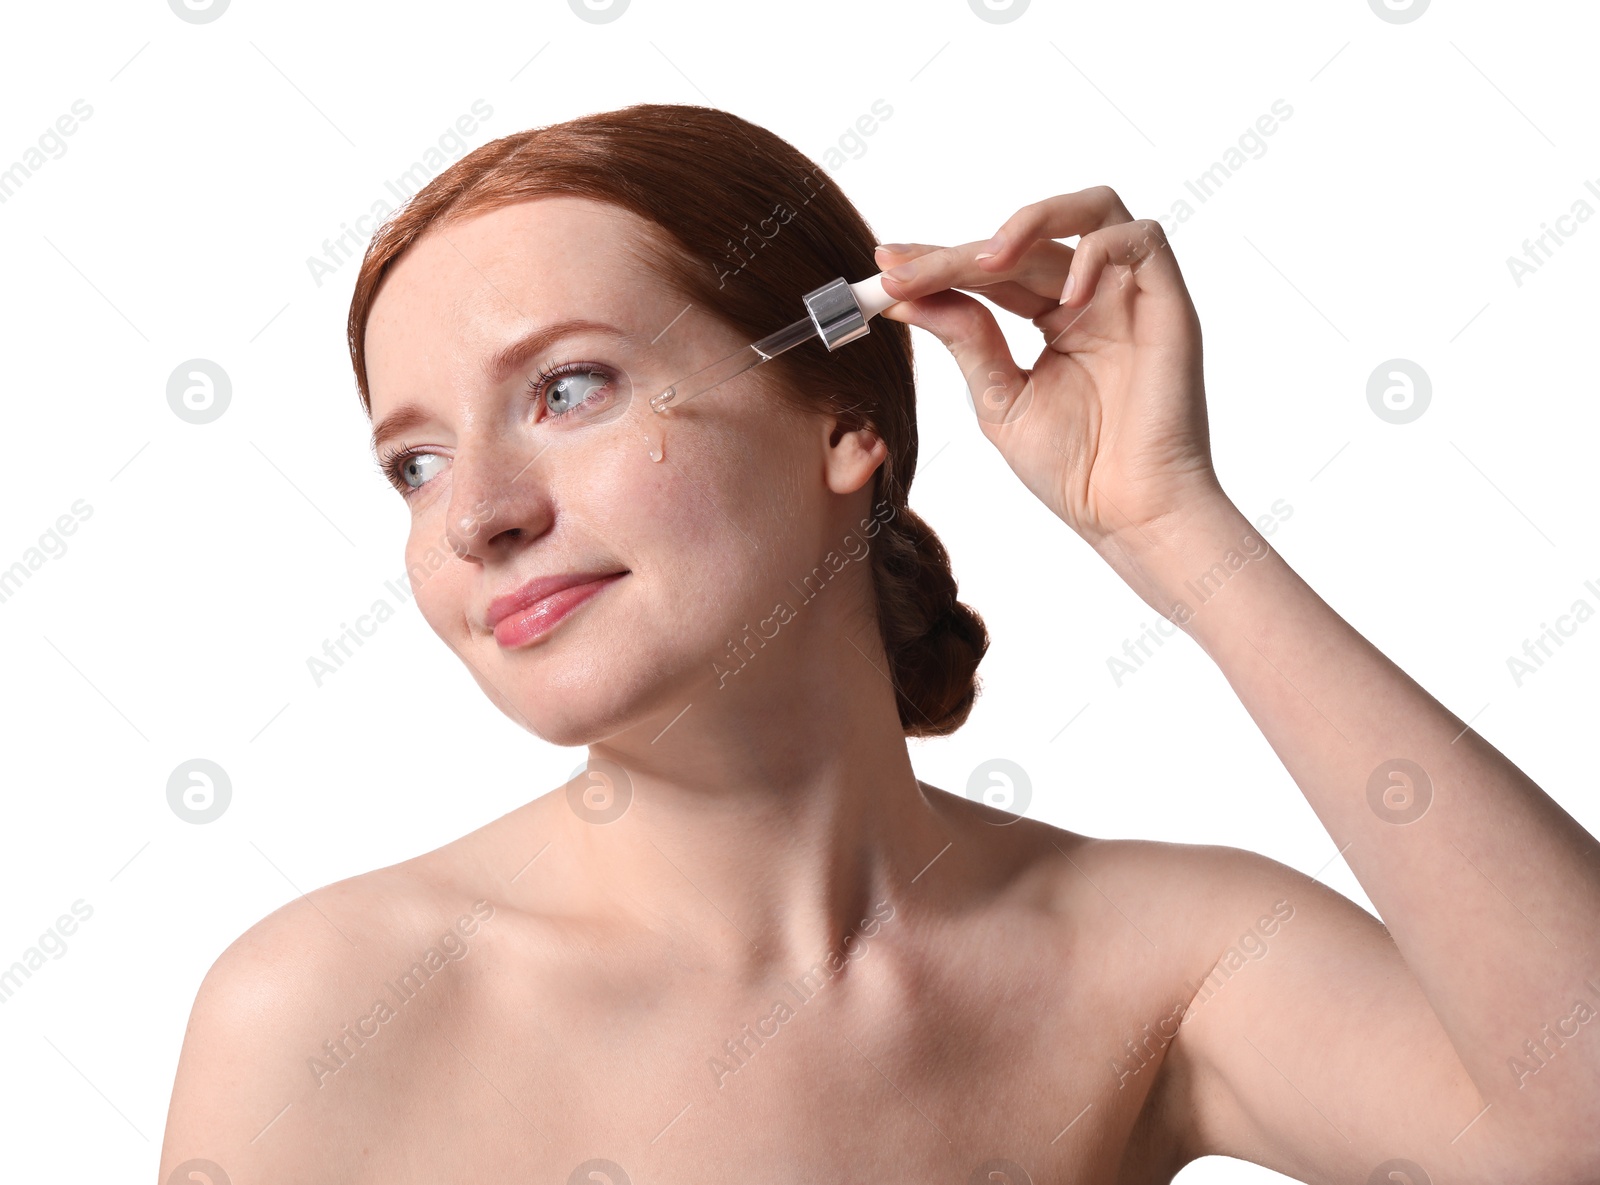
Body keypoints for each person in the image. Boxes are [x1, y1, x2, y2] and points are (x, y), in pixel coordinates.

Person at [158, 103, 1600, 1184]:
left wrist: (1171, 525)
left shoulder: (1153, 956)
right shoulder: (325, 1010)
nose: (474, 514)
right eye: (411, 463)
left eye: (572, 387)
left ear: (844, 423)